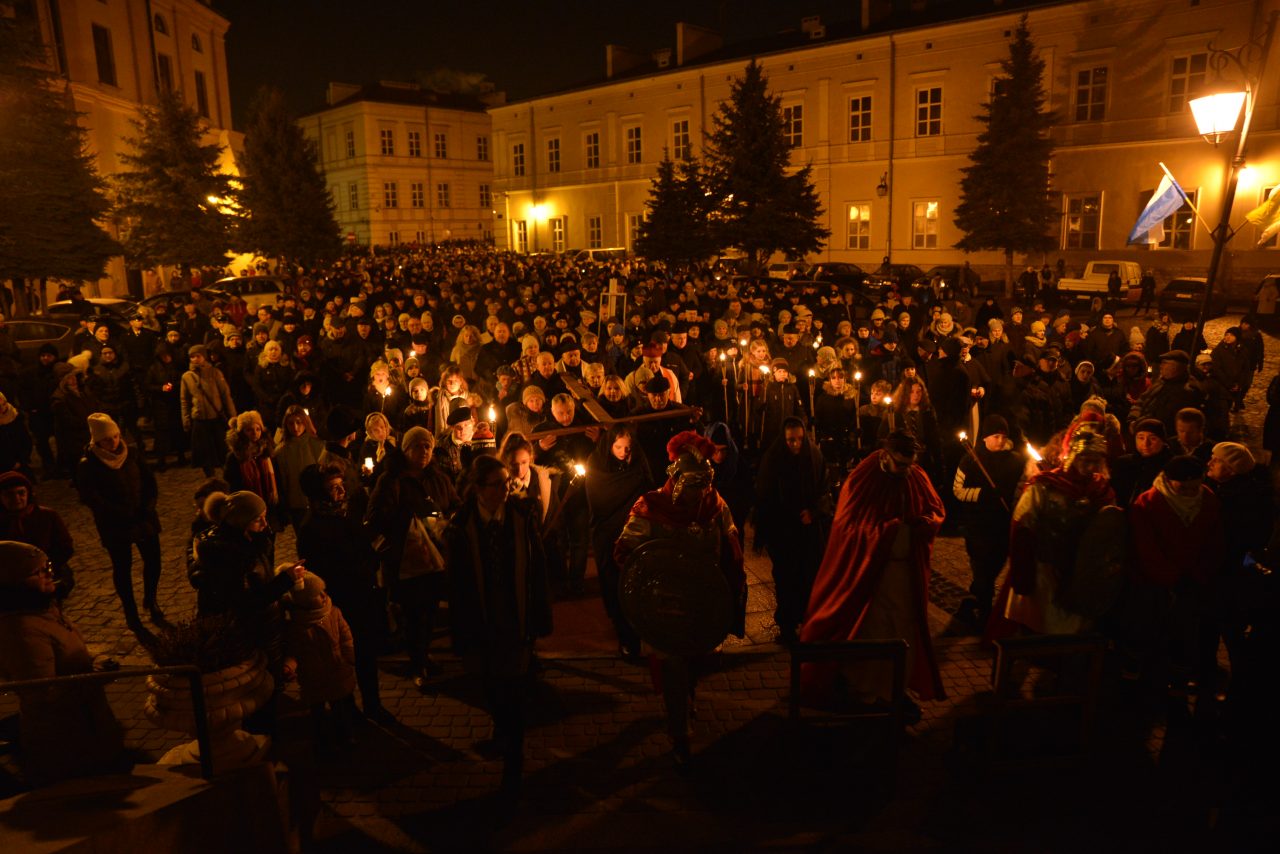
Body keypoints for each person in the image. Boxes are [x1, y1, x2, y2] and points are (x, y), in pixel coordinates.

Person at [614, 431, 746, 766]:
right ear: (676, 479)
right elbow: (626, 552)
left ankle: (688, 698)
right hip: (667, 606)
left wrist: (731, 583)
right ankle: (680, 735)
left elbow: (731, 548)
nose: (699, 492)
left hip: (702, 603)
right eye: (693, 484)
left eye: (704, 484)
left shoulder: (715, 505)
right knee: (673, 666)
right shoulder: (651, 507)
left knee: (695, 661)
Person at [799, 431, 946, 720]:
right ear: (885, 456)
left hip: (906, 575)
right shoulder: (863, 478)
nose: (905, 471)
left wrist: (925, 524)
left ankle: (894, 689)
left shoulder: (915, 476)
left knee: (903, 630)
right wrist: (888, 532)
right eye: (900, 464)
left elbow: (936, 508)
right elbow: (849, 524)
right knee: (873, 630)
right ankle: (865, 690)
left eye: (909, 465)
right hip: (871, 576)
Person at [445, 454, 553, 798]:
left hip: (515, 618)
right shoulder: (461, 526)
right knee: (492, 686)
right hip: (482, 620)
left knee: (515, 689)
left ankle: (513, 760)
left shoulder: (521, 516)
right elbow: (457, 584)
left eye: (507, 483)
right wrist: (460, 630)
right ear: (478, 489)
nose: (506, 490)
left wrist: (540, 615)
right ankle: (502, 729)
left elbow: (537, 568)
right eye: (497, 485)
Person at [0, 541, 127, 785]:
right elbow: (42, 693)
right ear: (13, 582)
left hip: (88, 725)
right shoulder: (21, 630)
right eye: (38, 572)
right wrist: (94, 676)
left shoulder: (44, 609)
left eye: (47, 567)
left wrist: (96, 660)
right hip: (66, 740)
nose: (49, 574)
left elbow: (66, 650)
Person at [365, 426, 460, 689]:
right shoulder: (391, 480)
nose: (424, 451)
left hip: (435, 556)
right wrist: (405, 521)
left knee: (429, 611)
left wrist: (448, 520)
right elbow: (375, 517)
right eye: (417, 446)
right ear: (406, 450)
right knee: (412, 613)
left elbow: (454, 504)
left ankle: (424, 656)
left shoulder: (438, 478)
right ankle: (417, 663)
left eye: (428, 446)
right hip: (405, 559)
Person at [1002, 419, 1117, 636]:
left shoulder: (1102, 491)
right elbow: (1022, 526)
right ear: (1074, 456)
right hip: (1046, 570)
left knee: (1075, 631)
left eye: (1095, 462)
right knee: (1041, 627)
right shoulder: (1045, 486)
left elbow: (1108, 531)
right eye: (1085, 460)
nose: (1090, 467)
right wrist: (1022, 572)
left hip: (1080, 572)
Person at [298, 463, 389, 721]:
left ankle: (373, 704)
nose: (340, 492)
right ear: (318, 493)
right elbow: (320, 570)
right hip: (341, 601)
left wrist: (373, 554)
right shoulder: (312, 528)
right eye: (333, 488)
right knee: (341, 658)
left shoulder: (344, 514)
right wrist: (358, 567)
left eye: (341, 485)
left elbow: (363, 545)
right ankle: (348, 708)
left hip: (363, 596)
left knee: (367, 654)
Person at [76, 413, 163, 630]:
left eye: (115, 436)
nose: (114, 442)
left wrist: (147, 507)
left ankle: (151, 599)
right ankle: (130, 612)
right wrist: (118, 513)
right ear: (97, 441)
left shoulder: (131, 453)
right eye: (107, 439)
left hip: (143, 518)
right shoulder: (89, 464)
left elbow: (150, 483)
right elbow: (91, 497)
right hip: (115, 524)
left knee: (153, 561)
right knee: (123, 567)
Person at [755, 417, 828, 644]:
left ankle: (809, 621)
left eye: (799, 439)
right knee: (786, 578)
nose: (795, 444)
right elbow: (765, 495)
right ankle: (787, 625)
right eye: (790, 440)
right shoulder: (773, 459)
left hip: (807, 531)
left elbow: (824, 491)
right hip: (783, 532)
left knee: (809, 577)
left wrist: (814, 512)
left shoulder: (814, 456)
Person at [584, 424, 652, 660]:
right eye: (619, 447)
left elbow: (648, 489)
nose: (624, 452)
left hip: (634, 532)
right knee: (614, 584)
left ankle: (638, 632)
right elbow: (599, 499)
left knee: (635, 583)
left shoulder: (638, 463)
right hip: (608, 533)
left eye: (628, 448)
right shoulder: (597, 463)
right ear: (609, 445)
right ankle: (625, 635)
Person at [952, 415, 1023, 627]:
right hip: (978, 526)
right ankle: (984, 613)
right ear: (985, 437)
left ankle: (973, 600)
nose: (1000, 441)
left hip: (1001, 526)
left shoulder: (1015, 461)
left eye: (1003, 437)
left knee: (993, 568)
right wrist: (982, 494)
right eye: (995, 436)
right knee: (982, 569)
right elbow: (958, 490)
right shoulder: (970, 460)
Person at [282, 570, 358, 749]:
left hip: (337, 671)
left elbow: (346, 636)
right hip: (313, 677)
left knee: (340, 708)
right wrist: (289, 666)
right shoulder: (297, 625)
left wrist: (349, 656)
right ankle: (322, 741)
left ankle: (345, 736)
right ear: (304, 602)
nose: (324, 596)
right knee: (317, 712)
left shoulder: (333, 612)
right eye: (317, 594)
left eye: (323, 591)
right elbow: (294, 651)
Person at [0, 471, 75, 600]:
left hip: (48, 572)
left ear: (28, 493)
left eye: (21, 493)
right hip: (12, 581)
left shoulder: (47, 516)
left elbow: (65, 547)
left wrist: (44, 570)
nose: (16, 498)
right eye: (9, 494)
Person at [181, 344, 237, 476]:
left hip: (215, 417)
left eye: (198, 356)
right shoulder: (187, 377)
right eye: (192, 357)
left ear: (204, 357)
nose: (195, 359)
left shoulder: (214, 372)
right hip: (199, 419)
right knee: (204, 453)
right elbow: (184, 400)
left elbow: (225, 395)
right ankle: (210, 476)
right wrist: (186, 418)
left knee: (222, 449)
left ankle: (227, 474)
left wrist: (233, 416)